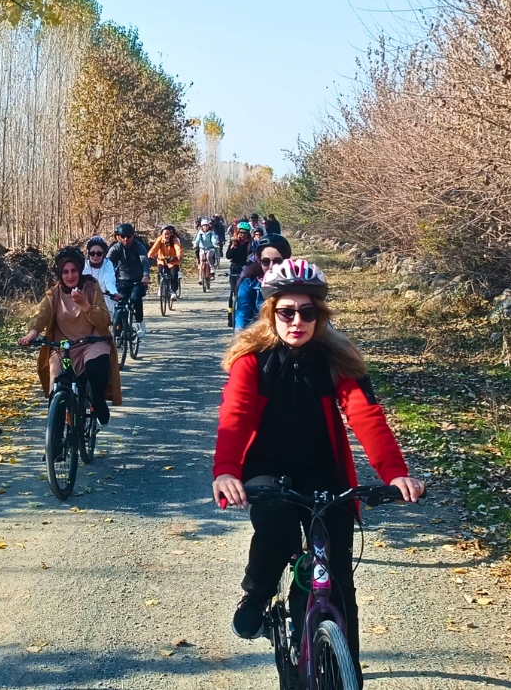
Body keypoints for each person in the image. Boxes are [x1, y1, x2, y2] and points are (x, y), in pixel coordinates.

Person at [211, 258, 425, 679]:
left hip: (323, 469)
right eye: (286, 311)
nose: (296, 321)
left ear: (319, 316)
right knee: (281, 531)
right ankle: (254, 596)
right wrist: (226, 471)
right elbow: (234, 416)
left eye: (307, 312)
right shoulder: (253, 361)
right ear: (271, 313)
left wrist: (394, 472)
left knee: (339, 577)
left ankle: (348, 675)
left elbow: (367, 416)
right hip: (266, 469)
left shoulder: (336, 359)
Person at [19, 247, 121, 425]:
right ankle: (54, 446)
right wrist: (32, 334)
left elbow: (104, 320)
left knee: (96, 368)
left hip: (92, 341)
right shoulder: (54, 293)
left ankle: (97, 400)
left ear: (80, 270)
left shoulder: (91, 287)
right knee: (56, 388)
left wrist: (85, 305)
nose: (70, 275)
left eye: (74, 270)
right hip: (63, 346)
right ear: (60, 273)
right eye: (65, 272)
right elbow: (40, 316)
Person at [234, 234, 291, 329]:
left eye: (277, 261)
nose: (271, 266)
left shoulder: (297, 283)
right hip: (259, 336)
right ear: (258, 260)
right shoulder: (249, 284)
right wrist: (240, 339)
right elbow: (242, 314)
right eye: (265, 261)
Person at [106, 223, 150, 338]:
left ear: (133, 236)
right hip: (121, 280)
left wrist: (145, 275)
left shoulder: (138, 247)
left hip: (138, 280)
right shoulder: (116, 248)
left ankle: (140, 323)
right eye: (123, 236)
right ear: (118, 237)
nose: (126, 239)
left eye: (129, 236)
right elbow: (107, 263)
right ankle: (119, 327)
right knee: (119, 303)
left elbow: (144, 260)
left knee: (136, 299)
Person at [224, 221, 255, 327]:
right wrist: (233, 246)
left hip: (246, 269)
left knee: (246, 292)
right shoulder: (234, 242)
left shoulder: (251, 244)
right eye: (241, 233)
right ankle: (230, 316)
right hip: (235, 269)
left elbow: (252, 256)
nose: (242, 235)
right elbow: (228, 256)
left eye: (245, 233)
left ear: (248, 234)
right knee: (232, 293)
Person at [148, 223, 184, 299]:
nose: (167, 236)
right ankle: (161, 286)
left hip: (173, 261)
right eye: (165, 234)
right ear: (162, 234)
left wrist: (178, 255)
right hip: (162, 260)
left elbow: (178, 248)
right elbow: (154, 248)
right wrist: (149, 255)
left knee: (174, 274)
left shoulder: (174, 240)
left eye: (168, 234)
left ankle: (173, 291)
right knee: (159, 273)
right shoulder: (159, 240)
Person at [83, 235, 119, 303]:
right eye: (92, 253)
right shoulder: (83, 265)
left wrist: (113, 292)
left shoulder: (108, 264)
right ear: (88, 254)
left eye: (99, 253)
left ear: (104, 254)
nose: (95, 256)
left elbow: (109, 281)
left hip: (105, 302)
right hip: (86, 301)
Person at [194, 219, 221, 284]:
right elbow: (197, 240)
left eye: (206, 226)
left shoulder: (211, 232)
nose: (205, 227)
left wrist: (215, 244)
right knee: (201, 263)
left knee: (208, 256)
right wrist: (195, 244)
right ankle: (200, 278)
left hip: (210, 248)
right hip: (202, 249)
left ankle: (212, 267)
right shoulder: (200, 233)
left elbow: (213, 239)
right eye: (204, 226)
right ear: (202, 226)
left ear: (209, 226)